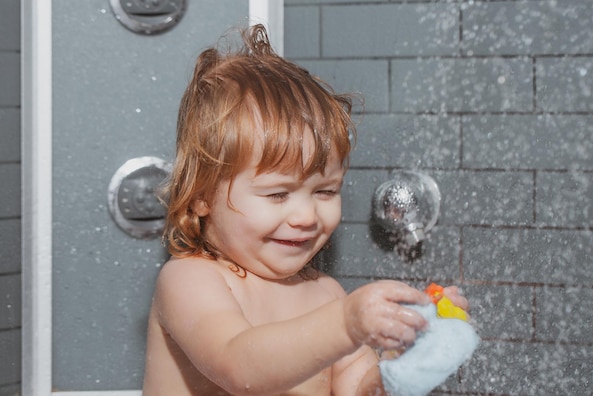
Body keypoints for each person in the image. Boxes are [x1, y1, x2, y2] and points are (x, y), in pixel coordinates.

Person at [142, 24, 468, 396]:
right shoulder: (189, 280)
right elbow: (239, 367)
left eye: (326, 191)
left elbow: (360, 390)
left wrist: (409, 354)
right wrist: (346, 325)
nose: (307, 216)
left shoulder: (326, 295)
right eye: (278, 195)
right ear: (201, 195)